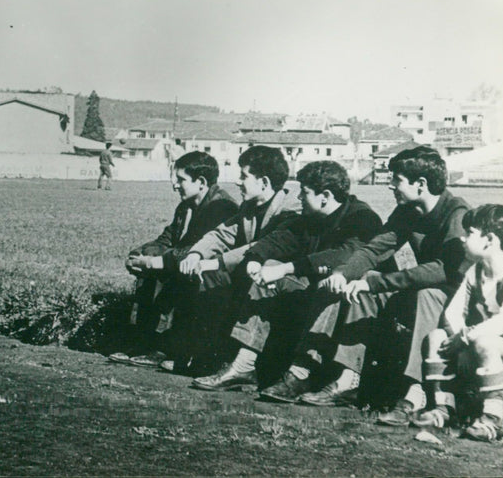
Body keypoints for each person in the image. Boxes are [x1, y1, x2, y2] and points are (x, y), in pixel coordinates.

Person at [260, 147, 471, 421]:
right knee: (365, 282)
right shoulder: (407, 211)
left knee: (421, 293)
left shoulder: (457, 213)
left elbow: (445, 270)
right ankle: (349, 379)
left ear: (420, 185)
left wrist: (381, 283)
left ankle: (414, 392)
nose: (389, 185)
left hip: (454, 297)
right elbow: (374, 250)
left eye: (396, 179)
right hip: (420, 289)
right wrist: (344, 274)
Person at [191, 160, 386, 391]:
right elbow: (279, 239)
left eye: (304, 192)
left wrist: (285, 269)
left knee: (323, 283)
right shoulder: (310, 217)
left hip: (359, 300)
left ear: (325, 195)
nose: (299, 198)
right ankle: (244, 366)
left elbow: (343, 256)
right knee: (269, 269)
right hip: (313, 289)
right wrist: (256, 259)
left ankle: (301, 373)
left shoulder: (363, 218)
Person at [170, 145, 302, 375]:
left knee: (216, 273)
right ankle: (208, 354)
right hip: (252, 274)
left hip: (282, 281)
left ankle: (234, 363)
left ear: (264, 182)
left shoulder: (291, 209)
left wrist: (217, 262)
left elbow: (262, 247)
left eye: (244, 176)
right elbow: (223, 233)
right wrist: (196, 254)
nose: (238, 182)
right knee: (209, 278)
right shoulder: (249, 207)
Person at [413, 204, 503, 442]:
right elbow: (452, 313)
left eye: (469, 232)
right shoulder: (476, 270)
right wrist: (457, 334)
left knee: (485, 341)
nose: (462, 237)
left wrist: (464, 337)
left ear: (489, 240)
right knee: (436, 337)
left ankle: (493, 418)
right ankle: (443, 408)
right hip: (492, 343)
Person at [110, 151, 238, 367]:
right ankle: (143, 340)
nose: (174, 185)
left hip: (213, 273)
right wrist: (139, 255)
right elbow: (167, 239)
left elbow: (199, 249)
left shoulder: (222, 208)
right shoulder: (186, 206)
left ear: (201, 182)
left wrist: (157, 262)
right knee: (148, 271)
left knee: (168, 272)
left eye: (180, 180)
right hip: (183, 263)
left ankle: (164, 346)